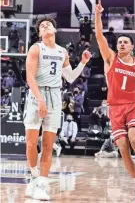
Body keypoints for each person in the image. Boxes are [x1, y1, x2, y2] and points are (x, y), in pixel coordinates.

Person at [24, 16, 91, 200]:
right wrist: (39, 99)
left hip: (54, 95)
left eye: (48, 25)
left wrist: (83, 63)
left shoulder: (62, 52)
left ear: (54, 30)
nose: (45, 27)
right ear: (39, 33)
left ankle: (42, 184)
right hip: (36, 95)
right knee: (30, 143)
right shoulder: (36, 48)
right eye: (42, 26)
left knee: (47, 145)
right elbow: (30, 77)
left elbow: (69, 77)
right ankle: (34, 175)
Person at [94, 0, 135, 200]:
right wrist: (98, 14)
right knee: (123, 150)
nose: (120, 44)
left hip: (133, 105)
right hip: (115, 108)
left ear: (131, 47)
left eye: (125, 42)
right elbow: (99, 36)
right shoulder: (110, 59)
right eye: (119, 42)